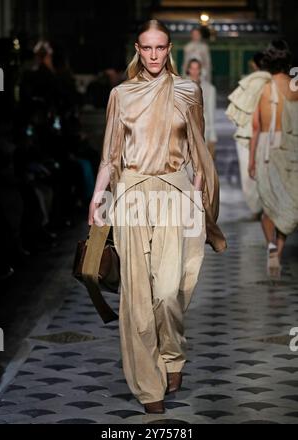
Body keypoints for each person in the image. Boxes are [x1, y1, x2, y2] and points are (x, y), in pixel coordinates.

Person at [88, 19, 227, 414]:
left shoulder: (187, 91)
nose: (153, 56)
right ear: (137, 48)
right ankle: (149, 386)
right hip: (132, 194)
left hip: (175, 192)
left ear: (170, 49)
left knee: (169, 291)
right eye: (146, 48)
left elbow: (199, 149)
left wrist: (198, 191)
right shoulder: (121, 95)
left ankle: (172, 353)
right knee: (137, 296)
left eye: (160, 48)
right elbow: (109, 156)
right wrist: (99, 197)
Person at [249, 40, 298, 278]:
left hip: (266, 146)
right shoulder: (294, 86)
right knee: (287, 200)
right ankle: (278, 251)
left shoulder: (262, 88)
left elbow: (256, 127)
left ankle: (271, 246)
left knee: (268, 202)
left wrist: (250, 160)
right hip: (289, 146)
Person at [226, 52, 270, 218]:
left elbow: (236, 111)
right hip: (270, 133)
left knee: (249, 171)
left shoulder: (250, 82)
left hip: (248, 132)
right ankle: (267, 207)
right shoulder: (274, 82)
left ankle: (256, 208)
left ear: (254, 65)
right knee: (266, 169)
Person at [187, 58, 217, 159]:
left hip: (204, 130)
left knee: (202, 164)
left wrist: (212, 137)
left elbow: (211, 114)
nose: (194, 71)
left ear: (200, 70)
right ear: (188, 70)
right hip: (185, 130)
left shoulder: (209, 89)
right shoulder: (180, 87)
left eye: (197, 68)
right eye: (192, 68)